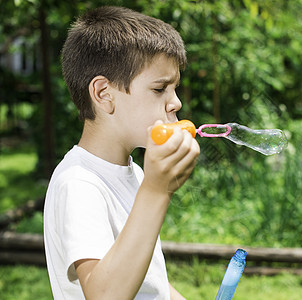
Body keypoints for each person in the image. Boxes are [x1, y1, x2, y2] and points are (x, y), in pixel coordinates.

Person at [43, 6, 200, 299]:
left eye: (174, 88)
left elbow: (145, 277)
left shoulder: (135, 172)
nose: (175, 102)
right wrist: (156, 191)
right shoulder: (79, 184)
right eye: (159, 89)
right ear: (104, 94)